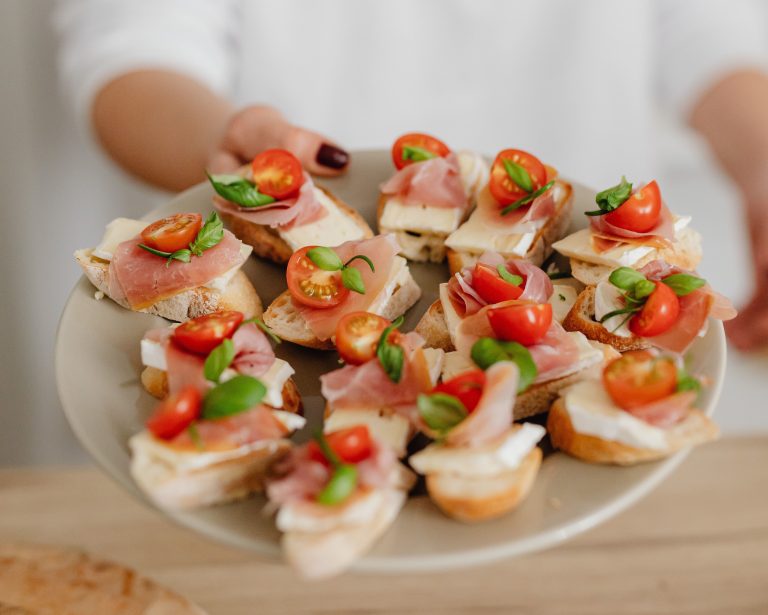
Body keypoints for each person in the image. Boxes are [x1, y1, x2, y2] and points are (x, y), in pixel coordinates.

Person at [54, 0, 768, 349]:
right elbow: (130, 49)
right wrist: (230, 147)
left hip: (596, 265)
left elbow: (708, 24)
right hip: (268, 246)